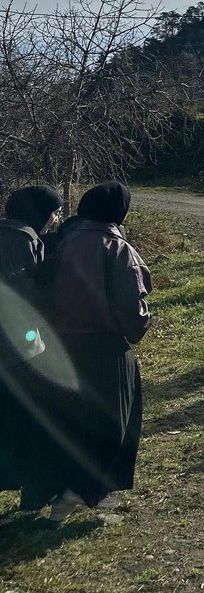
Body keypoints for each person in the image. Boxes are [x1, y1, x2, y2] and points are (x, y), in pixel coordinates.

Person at [35, 181, 152, 520]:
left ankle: (78, 491)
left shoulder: (62, 243)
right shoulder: (118, 249)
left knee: (74, 421)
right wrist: (140, 325)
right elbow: (131, 306)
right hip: (105, 348)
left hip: (62, 347)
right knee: (113, 423)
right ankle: (83, 490)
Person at [0, 185, 63, 506]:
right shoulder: (21, 240)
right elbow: (24, 296)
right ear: (40, 214)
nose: (56, 219)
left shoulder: (9, 233)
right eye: (54, 213)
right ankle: (35, 492)